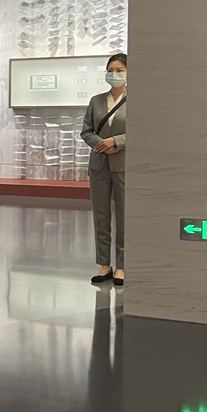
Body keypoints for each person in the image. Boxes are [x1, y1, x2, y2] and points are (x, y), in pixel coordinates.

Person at [81, 53, 128, 287]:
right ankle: (104, 264)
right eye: (110, 70)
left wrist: (116, 142)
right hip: (99, 164)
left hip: (124, 164)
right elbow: (86, 131)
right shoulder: (96, 101)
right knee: (101, 216)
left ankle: (122, 265)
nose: (114, 74)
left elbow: (143, 131)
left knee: (124, 216)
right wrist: (101, 144)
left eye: (119, 70)